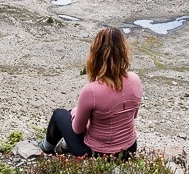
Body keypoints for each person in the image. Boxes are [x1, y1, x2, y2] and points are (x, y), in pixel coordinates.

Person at [39, 26, 142, 159]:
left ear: (96, 55)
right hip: (129, 150)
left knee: (59, 114)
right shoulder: (135, 79)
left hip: (97, 154)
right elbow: (133, 115)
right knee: (82, 115)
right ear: (123, 52)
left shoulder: (91, 91)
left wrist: (74, 113)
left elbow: (78, 129)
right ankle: (63, 145)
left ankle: (46, 147)